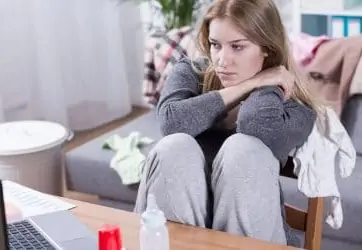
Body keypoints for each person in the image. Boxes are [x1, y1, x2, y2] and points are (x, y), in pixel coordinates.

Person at [134, 0, 318, 246]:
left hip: (254, 235)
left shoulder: (294, 108)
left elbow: (255, 125)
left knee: (243, 149)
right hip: (181, 230)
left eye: (238, 47)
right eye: (215, 45)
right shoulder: (191, 72)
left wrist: (268, 85)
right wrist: (248, 84)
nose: (221, 60)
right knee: (173, 147)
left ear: (267, 48)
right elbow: (171, 123)